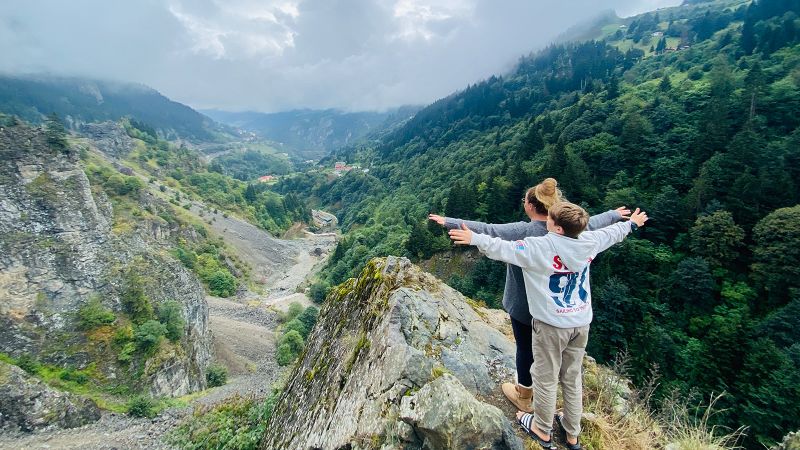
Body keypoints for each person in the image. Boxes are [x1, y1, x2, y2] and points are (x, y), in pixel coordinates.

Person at [448, 202, 649, 450]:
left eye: (551, 220)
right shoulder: (589, 241)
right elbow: (613, 234)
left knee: (545, 378)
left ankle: (541, 430)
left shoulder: (540, 247)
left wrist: (473, 238)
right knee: (572, 378)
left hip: (552, 324)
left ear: (560, 229)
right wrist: (632, 224)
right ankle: (572, 434)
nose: (546, 223)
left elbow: (501, 248)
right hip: (580, 322)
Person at [428, 178, 628, 412]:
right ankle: (565, 407)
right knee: (558, 360)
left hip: (524, 307)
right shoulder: (572, 229)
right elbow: (595, 224)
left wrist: (448, 222)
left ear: (531, 206)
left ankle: (525, 396)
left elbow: (488, 230)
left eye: (525, 200)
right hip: (564, 310)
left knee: (526, 349)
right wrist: (615, 215)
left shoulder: (524, 232)